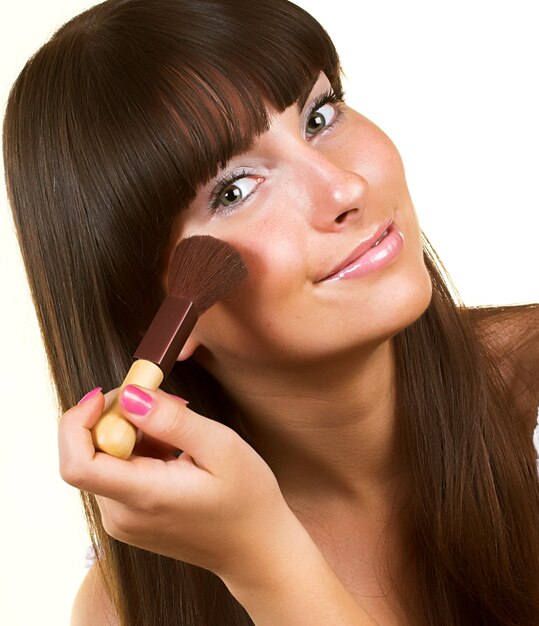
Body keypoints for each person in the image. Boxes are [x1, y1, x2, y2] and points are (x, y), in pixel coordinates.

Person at [3, 0, 538, 624]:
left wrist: (266, 564)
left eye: (319, 114)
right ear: (159, 314)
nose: (344, 189)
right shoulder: (135, 609)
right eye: (234, 190)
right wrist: (256, 557)